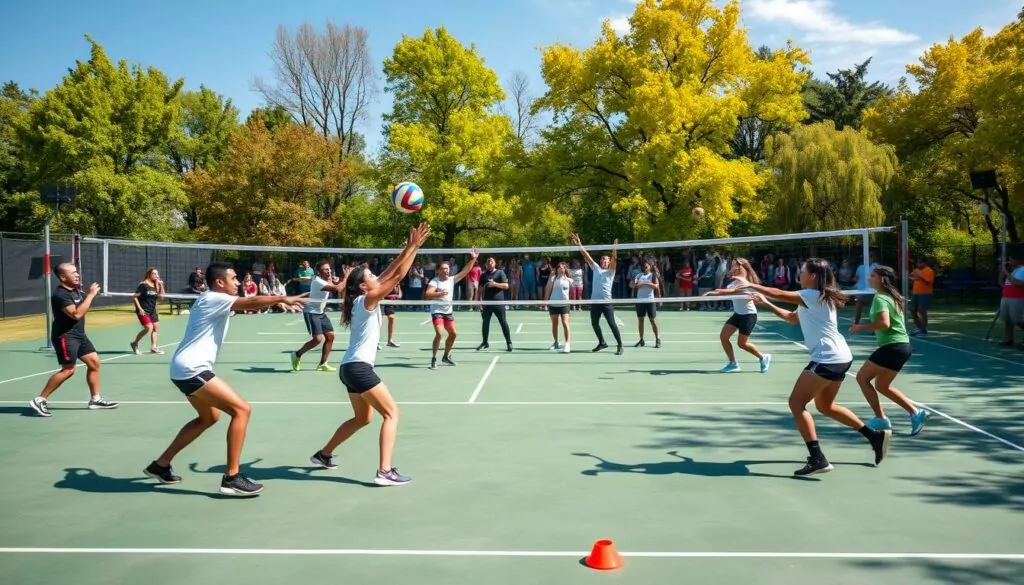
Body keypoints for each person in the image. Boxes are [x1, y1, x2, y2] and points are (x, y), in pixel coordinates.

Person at [143, 263, 308, 496]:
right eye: (233, 278)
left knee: (208, 417)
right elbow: (249, 303)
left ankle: (160, 465)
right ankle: (231, 477)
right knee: (242, 410)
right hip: (193, 369)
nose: (238, 282)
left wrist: (275, 301)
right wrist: (282, 297)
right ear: (220, 282)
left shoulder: (211, 298)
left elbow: (250, 303)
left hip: (183, 369)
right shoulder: (213, 297)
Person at [730, 258, 891, 477]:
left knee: (796, 403)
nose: (799, 273)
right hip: (840, 357)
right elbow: (792, 319)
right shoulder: (815, 297)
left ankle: (818, 458)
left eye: (803, 270)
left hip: (827, 358)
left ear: (813, 276)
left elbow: (777, 292)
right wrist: (765, 303)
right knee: (825, 406)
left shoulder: (812, 295)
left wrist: (750, 284)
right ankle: (874, 436)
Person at [309, 223, 432, 486]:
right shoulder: (368, 299)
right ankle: (385, 471)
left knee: (363, 418)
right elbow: (398, 276)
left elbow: (392, 270)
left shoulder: (361, 296)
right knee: (392, 414)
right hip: (359, 368)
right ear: (365, 286)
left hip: (348, 368)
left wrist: (411, 247)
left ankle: (323, 454)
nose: (376, 275)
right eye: (371, 275)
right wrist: (413, 247)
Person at [29, 263, 118, 417]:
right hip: (65, 336)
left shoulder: (76, 291)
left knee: (94, 363)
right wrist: (90, 295)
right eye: (73, 273)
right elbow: (76, 314)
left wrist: (89, 295)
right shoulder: (60, 295)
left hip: (79, 334)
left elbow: (83, 306)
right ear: (63, 277)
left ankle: (95, 399)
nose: (77, 275)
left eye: (77, 272)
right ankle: (40, 399)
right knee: (69, 369)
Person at [850, 265, 930, 435]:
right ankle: (916, 413)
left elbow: (884, 323)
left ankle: (880, 418)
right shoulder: (891, 297)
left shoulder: (880, 298)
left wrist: (861, 327)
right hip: (902, 346)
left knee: (862, 378)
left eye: (872, 275)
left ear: (881, 280)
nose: (868, 278)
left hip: (893, 347)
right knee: (882, 385)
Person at [702, 258, 771, 373]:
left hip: (748, 315)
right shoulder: (734, 281)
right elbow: (730, 291)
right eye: (731, 265)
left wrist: (713, 292)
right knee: (724, 337)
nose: (731, 268)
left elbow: (732, 292)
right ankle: (733, 363)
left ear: (740, 267)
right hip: (738, 314)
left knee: (742, 344)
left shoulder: (745, 282)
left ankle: (763, 357)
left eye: (734, 265)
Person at [424, 249, 479, 369]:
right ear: (438, 270)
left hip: (448, 312)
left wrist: (473, 258)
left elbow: (465, 271)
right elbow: (428, 294)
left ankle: (446, 356)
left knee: (453, 334)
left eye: (447, 268)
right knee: (439, 333)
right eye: (443, 268)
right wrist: (439, 294)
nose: (446, 270)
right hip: (437, 311)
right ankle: (434, 358)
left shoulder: (451, 280)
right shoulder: (434, 281)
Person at [571, 233, 623, 354]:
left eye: (607, 260)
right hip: (595, 301)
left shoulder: (611, 271)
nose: (605, 261)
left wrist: (614, 249)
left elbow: (614, 259)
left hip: (606, 302)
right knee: (594, 323)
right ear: (600, 261)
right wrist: (579, 244)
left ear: (609, 262)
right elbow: (586, 255)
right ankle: (602, 342)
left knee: (612, 324)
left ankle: (620, 345)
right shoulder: (596, 268)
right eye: (603, 260)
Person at [290, 261, 347, 372]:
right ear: (318, 272)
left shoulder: (324, 280)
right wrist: (346, 277)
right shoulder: (318, 281)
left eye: (329, 269)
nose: (329, 271)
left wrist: (337, 280)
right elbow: (338, 289)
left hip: (320, 312)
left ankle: (323, 364)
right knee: (318, 339)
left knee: (330, 336)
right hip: (311, 312)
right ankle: (297, 354)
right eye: (325, 269)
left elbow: (336, 285)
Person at [475, 256, 513, 352]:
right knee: (485, 323)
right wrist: (478, 301)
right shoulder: (483, 275)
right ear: (486, 264)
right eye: (488, 262)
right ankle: (485, 342)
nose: (490, 263)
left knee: (503, 322)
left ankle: (509, 343)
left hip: (498, 303)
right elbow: (479, 289)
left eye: (491, 261)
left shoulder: (500, 273)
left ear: (495, 263)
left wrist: (495, 284)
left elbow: (506, 286)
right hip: (486, 303)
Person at [130, 268, 165, 355]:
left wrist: (161, 286)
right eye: (154, 274)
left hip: (152, 310)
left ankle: (153, 347)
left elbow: (161, 298)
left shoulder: (156, 285)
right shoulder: (143, 285)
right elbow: (135, 297)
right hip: (143, 310)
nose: (156, 276)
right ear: (149, 274)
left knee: (156, 327)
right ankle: (135, 343)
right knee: (149, 327)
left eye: (157, 274)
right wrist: (140, 309)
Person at [630, 258, 661, 348]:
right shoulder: (638, 275)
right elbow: (632, 285)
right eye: (643, 266)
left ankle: (657, 339)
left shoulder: (653, 275)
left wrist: (647, 284)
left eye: (646, 266)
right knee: (641, 320)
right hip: (640, 301)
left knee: (653, 320)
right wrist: (635, 284)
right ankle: (641, 339)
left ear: (650, 267)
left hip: (650, 300)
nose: (645, 267)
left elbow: (656, 286)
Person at [544, 261, 573, 353]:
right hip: (553, 304)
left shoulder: (569, 280)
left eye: (563, 267)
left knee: (565, 323)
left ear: (565, 269)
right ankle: (556, 342)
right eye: (559, 267)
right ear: (557, 269)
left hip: (564, 305)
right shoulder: (553, 278)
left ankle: (567, 344)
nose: (561, 269)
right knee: (555, 324)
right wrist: (545, 301)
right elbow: (548, 289)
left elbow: (572, 292)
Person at [908, 258, 934, 337]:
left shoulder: (929, 271)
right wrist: (912, 278)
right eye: (917, 263)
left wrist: (920, 277)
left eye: (920, 263)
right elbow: (910, 277)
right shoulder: (916, 270)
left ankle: (923, 330)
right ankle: (920, 328)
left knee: (922, 310)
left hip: (925, 293)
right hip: (915, 293)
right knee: (913, 310)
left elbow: (928, 282)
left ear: (924, 263)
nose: (918, 264)